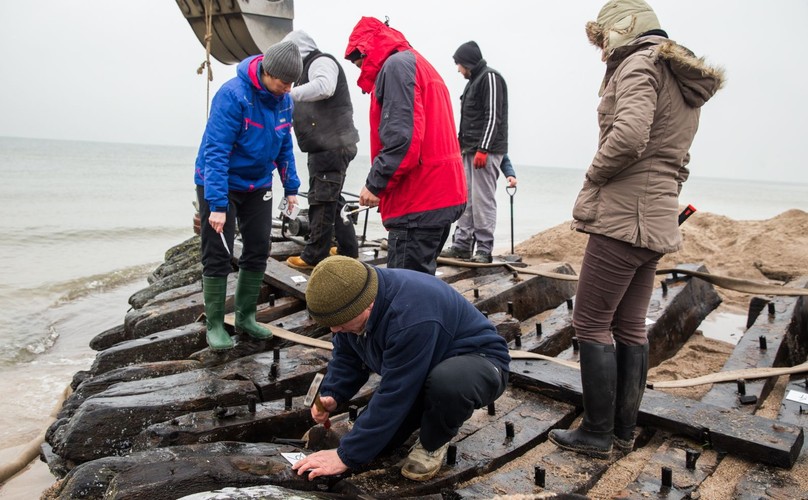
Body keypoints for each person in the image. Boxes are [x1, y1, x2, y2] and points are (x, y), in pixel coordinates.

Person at [548, 0, 724, 458]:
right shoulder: (677, 73)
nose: (602, 49)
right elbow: (679, 161)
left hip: (624, 218)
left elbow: (627, 136)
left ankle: (597, 432)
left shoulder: (639, 64)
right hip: (658, 216)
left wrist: (594, 177)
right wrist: (661, 194)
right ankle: (623, 430)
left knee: (589, 321)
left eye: (603, 38)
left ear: (621, 30)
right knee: (628, 324)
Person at [291, 256, 510, 482]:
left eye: (342, 322)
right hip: (422, 365)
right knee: (382, 444)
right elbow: (347, 356)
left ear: (369, 304)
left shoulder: (410, 317)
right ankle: (423, 408)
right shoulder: (354, 296)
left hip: (480, 361)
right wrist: (333, 393)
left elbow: (396, 392)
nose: (335, 328)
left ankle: (432, 443)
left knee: (447, 383)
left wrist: (345, 456)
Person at [194, 40, 304, 351]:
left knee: (258, 246)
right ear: (267, 73)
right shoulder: (233, 96)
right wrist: (215, 205)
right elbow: (215, 152)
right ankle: (215, 325)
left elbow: (284, 146)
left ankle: (245, 318)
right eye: (284, 82)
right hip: (220, 183)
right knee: (217, 253)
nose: (287, 88)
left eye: (292, 83)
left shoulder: (284, 101)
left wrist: (291, 188)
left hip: (258, 185)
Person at [343, 17, 467, 275]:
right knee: (423, 285)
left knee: (407, 294)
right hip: (442, 195)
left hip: (419, 203)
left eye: (359, 63)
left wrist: (375, 184)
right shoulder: (419, 64)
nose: (360, 70)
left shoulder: (397, 67)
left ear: (366, 50)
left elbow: (403, 138)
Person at [281, 30, 362, 270]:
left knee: (322, 199)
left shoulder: (321, 62)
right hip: (326, 145)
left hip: (332, 145)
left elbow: (325, 87)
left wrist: (289, 94)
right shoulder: (306, 70)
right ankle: (348, 249)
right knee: (332, 198)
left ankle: (314, 255)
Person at [440, 41, 509, 264]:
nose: (458, 69)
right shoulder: (473, 82)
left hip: (484, 151)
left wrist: (483, 148)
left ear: (467, 61)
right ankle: (461, 245)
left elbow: (493, 115)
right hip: (469, 150)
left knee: (482, 200)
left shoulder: (490, 77)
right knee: (465, 198)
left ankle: (484, 249)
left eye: (459, 64)